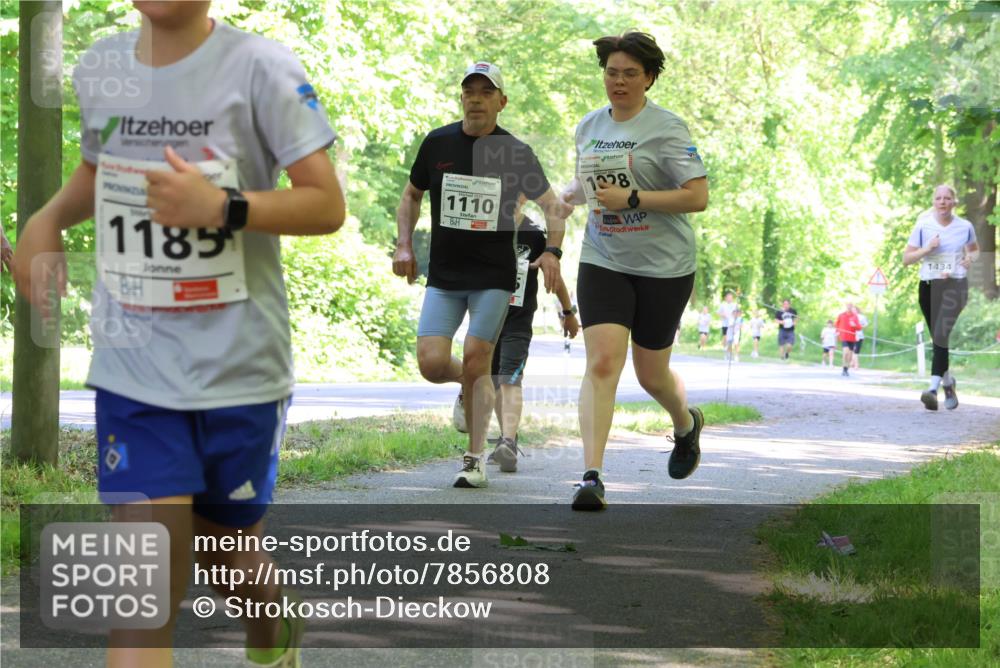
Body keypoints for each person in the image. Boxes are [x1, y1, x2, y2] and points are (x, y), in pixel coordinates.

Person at [13, 2, 345, 666]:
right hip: (133, 369)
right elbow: (99, 170)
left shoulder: (262, 68)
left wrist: (223, 208)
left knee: (225, 556)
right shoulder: (103, 64)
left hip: (240, 371)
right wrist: (46, 220)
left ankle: (272, 630)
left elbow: (326, 203)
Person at [393, 62, 571, 488]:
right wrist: (402, 243)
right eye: (469, 91)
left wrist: (552, 252)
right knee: (432, 364)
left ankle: (473, 459)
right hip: (445, 275)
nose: (476, 98)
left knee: (477, 357)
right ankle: (471, 385)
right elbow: (411, 195)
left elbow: (553, 207)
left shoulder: (517, 152)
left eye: (486, 92)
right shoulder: (438, 142)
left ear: (501, 101)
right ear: (461, 99)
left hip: (494, 275)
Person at [560, 32, 709, 510]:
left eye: (629, 73)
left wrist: (636, 199)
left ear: (648, 78)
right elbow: (590, 187)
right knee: (603, 363)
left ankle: (686, 425)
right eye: (611, 72)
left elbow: (697, 196)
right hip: (604, 257)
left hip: (664, 266)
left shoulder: (667, 128)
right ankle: (591, 477)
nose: (618, 81)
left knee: (651, 375)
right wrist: (562, 197)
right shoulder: (588, 126)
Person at [488, 197, 579, 472]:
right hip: (488, 320)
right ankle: (508, 441)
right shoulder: (485, 226)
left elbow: (555, 275)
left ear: (525, 197)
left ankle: (507, 441)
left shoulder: (535, 234)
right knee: (494, 381)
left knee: (510, 379)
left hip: (518, 320)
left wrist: (568, 312)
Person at [903, 184, 979, 411]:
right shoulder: (923, 225)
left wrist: (969, 259)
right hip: (928, 286)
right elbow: (906, 259)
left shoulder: (965, 226)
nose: (943, 202)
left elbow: (974, 250)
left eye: (947, 198)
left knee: (940, 335)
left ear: (954, 202)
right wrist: (927, 249)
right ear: (933, 202)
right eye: (939, 198)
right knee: (938, 338)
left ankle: (932, 389)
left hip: (955, 286)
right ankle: (948, 382)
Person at [835, 302, 861, 377]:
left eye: (850, 306)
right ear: (846, 307)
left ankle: (846, 369)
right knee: (845, 352)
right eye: (848, 306)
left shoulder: (855, 316)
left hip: (852, 338)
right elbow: (836, 324)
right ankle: (843, 368)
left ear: (852, 307)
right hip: (844, 337)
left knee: (850, 355)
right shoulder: (841, 315)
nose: (849, 307)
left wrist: (854, 325)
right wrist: (837, 332)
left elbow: (859, 328)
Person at [850, 305, 868, 370]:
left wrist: (859, 327)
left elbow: (866, 325)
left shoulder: (862, 317)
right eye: (852, 310)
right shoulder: (850, 317)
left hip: (859, 335)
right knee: (852, 350)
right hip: (851, 335)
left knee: (856, 351)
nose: (853, 311)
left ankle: (855, 364)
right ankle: (855, 364)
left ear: (857, 310)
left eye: (854, 310)